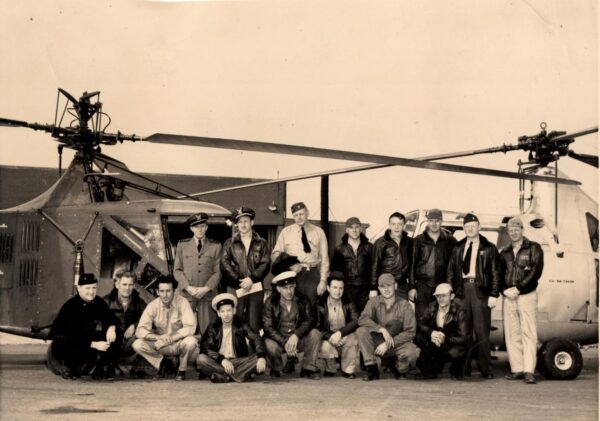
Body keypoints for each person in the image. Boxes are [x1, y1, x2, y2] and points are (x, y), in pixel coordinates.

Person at [447, 213, 502, 379]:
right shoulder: (458, 247)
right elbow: (451, 270)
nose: (470, 229)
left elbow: (495, 273)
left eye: (473, 226)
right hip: (462, 291)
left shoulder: (489, 247)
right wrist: (451, 291)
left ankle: (486, 369)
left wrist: (493, 294)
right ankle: (465, 368)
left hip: (480, 291)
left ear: (479, 227)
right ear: (464, 229)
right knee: (464, 331)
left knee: (482, 332)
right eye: (467, 226)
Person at [48, 273, 122, 379]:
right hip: (66, 344)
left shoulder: (97, 302)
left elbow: (112, 318)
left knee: (118, 333)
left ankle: (103, 369)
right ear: (78, 288)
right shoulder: (71, 306)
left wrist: (112, 327)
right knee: (71, 345)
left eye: (94, 288)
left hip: (86, 340)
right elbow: (70, 335)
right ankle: (69, 368)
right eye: (87, 288)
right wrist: (93, 344)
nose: (91, 292)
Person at [500, 216, 544, 385]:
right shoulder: (504, 252)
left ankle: (529, 371)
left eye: (516, 229)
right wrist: (505, 290)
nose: (513, 232)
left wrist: (519, 288)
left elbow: (536, 271)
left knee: (529, 333)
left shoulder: (534, 248)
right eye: (510, 230)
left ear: (522, 230)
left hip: (526, 295)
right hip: (509, 296)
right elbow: (500, 273)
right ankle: (517, 369)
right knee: (512, 334)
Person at [133, 275, 198, 381]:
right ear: (157, 292)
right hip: (161, 344)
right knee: (137, 344)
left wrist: (171, 338)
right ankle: (163, 363)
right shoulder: (152, 306)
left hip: (178, 344)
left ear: (174, 291)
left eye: (168, 291)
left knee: (191, 341)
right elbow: (140, 331)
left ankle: (181, 370)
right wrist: (158, 338)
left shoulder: (183, 302)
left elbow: (190, 328)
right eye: (161, 291)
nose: (165, 295)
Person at [357, 273, 419, 381]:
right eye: (382, 286)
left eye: (389, 285)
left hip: (396, 344)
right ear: (378, 288)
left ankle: (400, 369)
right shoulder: (373, 302)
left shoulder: (405, 305)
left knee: (413, 351)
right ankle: (371, 368)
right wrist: (381, 329)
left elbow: (410, 331)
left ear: (395, 286)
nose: (386, 289)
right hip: (378, 343)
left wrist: (388, 344)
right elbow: (362, 319)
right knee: (361, 331)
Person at [262, 271, 323, 379]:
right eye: (285, 288)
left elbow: (310, 320)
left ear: (295, 286)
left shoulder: (303, 300)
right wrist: (284, 342)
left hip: (297, 340)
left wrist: (296, 335)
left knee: (316, 334)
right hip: (279, 341)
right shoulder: (270, 302)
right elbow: (268, 327)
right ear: (278, 289)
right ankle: (276, 367)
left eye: (291, 287)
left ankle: (308, 368)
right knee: (269, 344)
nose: (289, 291)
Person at [196, 293, 267, 383]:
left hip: (238, 361)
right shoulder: (213, 326)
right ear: (218, 313)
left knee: (260, 359)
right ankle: (240, 374)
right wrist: (222, 360)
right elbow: (206, 348)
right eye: (223, 311)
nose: (226, 314)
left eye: (229, 310)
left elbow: (256, 338)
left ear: (234, 310)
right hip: (220, 362)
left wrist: (261, 356)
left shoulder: (241, 323)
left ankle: (225, 377)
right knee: (201, 359)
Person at [220, 207, 270, 332]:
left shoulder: (262, 243)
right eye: (240, 222)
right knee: (236, 319)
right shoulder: (229, 243)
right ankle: (236, 349)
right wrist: (239, 281)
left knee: (254, 322)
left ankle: (253, 350)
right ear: (236, 224)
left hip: (255, 287)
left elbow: (265, 263)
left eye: (246, 221)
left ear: (252, 222)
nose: (243, 224)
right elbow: (224, 264)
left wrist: (252, 279)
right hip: (235, 287)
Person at [271, 202, 329, 306]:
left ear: (307, 213)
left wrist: (323, 280)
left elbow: (324, 259)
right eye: (296, 215)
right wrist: (289, 265)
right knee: (293, 306)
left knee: (312, 306)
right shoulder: (286, 232)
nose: (299, 217)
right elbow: (275, 254)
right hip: (292, 275)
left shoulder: (319, 232)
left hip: (312, 274)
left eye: (301, 214)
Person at [174, 212, 222, 336]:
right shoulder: (182, 245)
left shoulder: (216, 246)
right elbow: (177, 270)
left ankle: (206, 353)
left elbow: (218, 272)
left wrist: (205, 289)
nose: (199, 230)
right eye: (196, 226)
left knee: (208, 330)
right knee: (184, 329)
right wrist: (188, 287)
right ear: (191, 228)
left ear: (206, 227)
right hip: (186, 294)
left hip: (207, 295)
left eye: (202, 226)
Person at [409, 208, 457, 314]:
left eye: (437, 221)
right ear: (427, 221)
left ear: (441, 221)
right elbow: (412, 264)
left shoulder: (450, 241)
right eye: (431, 220)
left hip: (442, 286)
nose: (434, 224)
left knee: (441, 318)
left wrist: (450, 285)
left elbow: (454, 265)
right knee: (422, 319)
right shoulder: (418, 240)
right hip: (423, 286)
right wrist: (412, 287)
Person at [414, 283, 466, 380]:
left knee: (457, 352)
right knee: (418, 337)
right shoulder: (431, 307)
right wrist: (431, 332)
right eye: (438, 296)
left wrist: (445, 339)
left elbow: (464, 337)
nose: (440, 299)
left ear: (452, 296)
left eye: (444, 296)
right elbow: (420, 325)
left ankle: (455, 369)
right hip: (435, 343)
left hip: (450, 344)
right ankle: (429, 371)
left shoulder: (460, 311)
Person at [315, 271, 360, 379]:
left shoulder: (349, 302)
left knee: (354, 338)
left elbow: (356, 321)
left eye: (341, 288)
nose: (338, 291)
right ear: (328, 288)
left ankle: (347, 370)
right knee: (324, 346)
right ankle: (330, 368)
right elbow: (317, 327)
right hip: (329, 339)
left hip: (344, 336)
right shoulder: (320, 304)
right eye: (334, 287)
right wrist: (330, 336)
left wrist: (341, 333)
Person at [330, 217, 373, 312]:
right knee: (350, 316)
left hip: (365, 288)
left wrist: (373, 288)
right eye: (351, 227)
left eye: (357, 227)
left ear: (360, 228)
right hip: (347, 288)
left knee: (365, 315)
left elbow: (374, 269)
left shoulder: (369, 247)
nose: (354, 230)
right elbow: (335, 270)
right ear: (347, 230)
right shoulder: (339, 249)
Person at [103, 270, 147, 363]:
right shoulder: (106, 301)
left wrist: (134, 326)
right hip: (110, 342)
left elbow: (148, 320)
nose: (127, 288)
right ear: (117, 285)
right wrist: (110, 327)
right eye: (124, 284)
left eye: (130, 285)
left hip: (129, 343)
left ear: (134, 286)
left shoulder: (139, 303)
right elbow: (97, 320)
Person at [371, 212, 413, 299]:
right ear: (389, 225)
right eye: (393, 224)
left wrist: (412, 286)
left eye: (400, 224)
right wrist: (373, 288)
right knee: (385, 311)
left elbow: (412, 264)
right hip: (385, 285)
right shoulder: (380, 243)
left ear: (404, 225)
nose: (396, 227)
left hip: (402, 286)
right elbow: (374, 266)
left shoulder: (409, 242)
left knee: (401, 311)